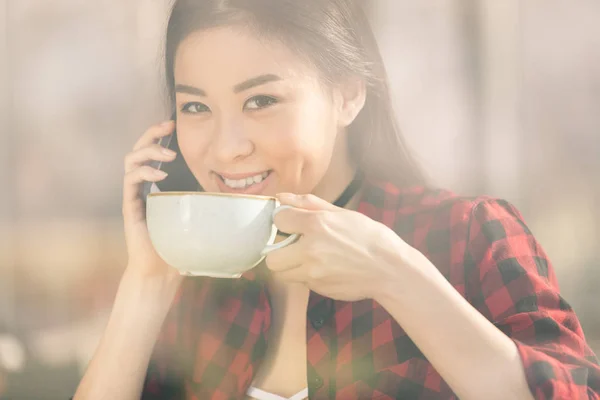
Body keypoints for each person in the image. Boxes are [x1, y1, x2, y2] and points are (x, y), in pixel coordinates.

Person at [73, 0, 600, 399]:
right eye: (195, 107)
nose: (226, 147)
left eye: (261, 100)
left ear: (348, 94)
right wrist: (146, 281)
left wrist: (396, 274)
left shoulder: (467, 236)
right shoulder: (196, 289)